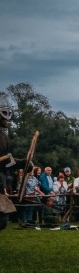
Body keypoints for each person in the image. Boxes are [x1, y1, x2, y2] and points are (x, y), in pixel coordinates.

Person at [0, 95, 18, 231]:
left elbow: (6, 163)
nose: (6, 118)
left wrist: (22, 163)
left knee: (2, 220)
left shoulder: (4, 136)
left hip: (0, 182)